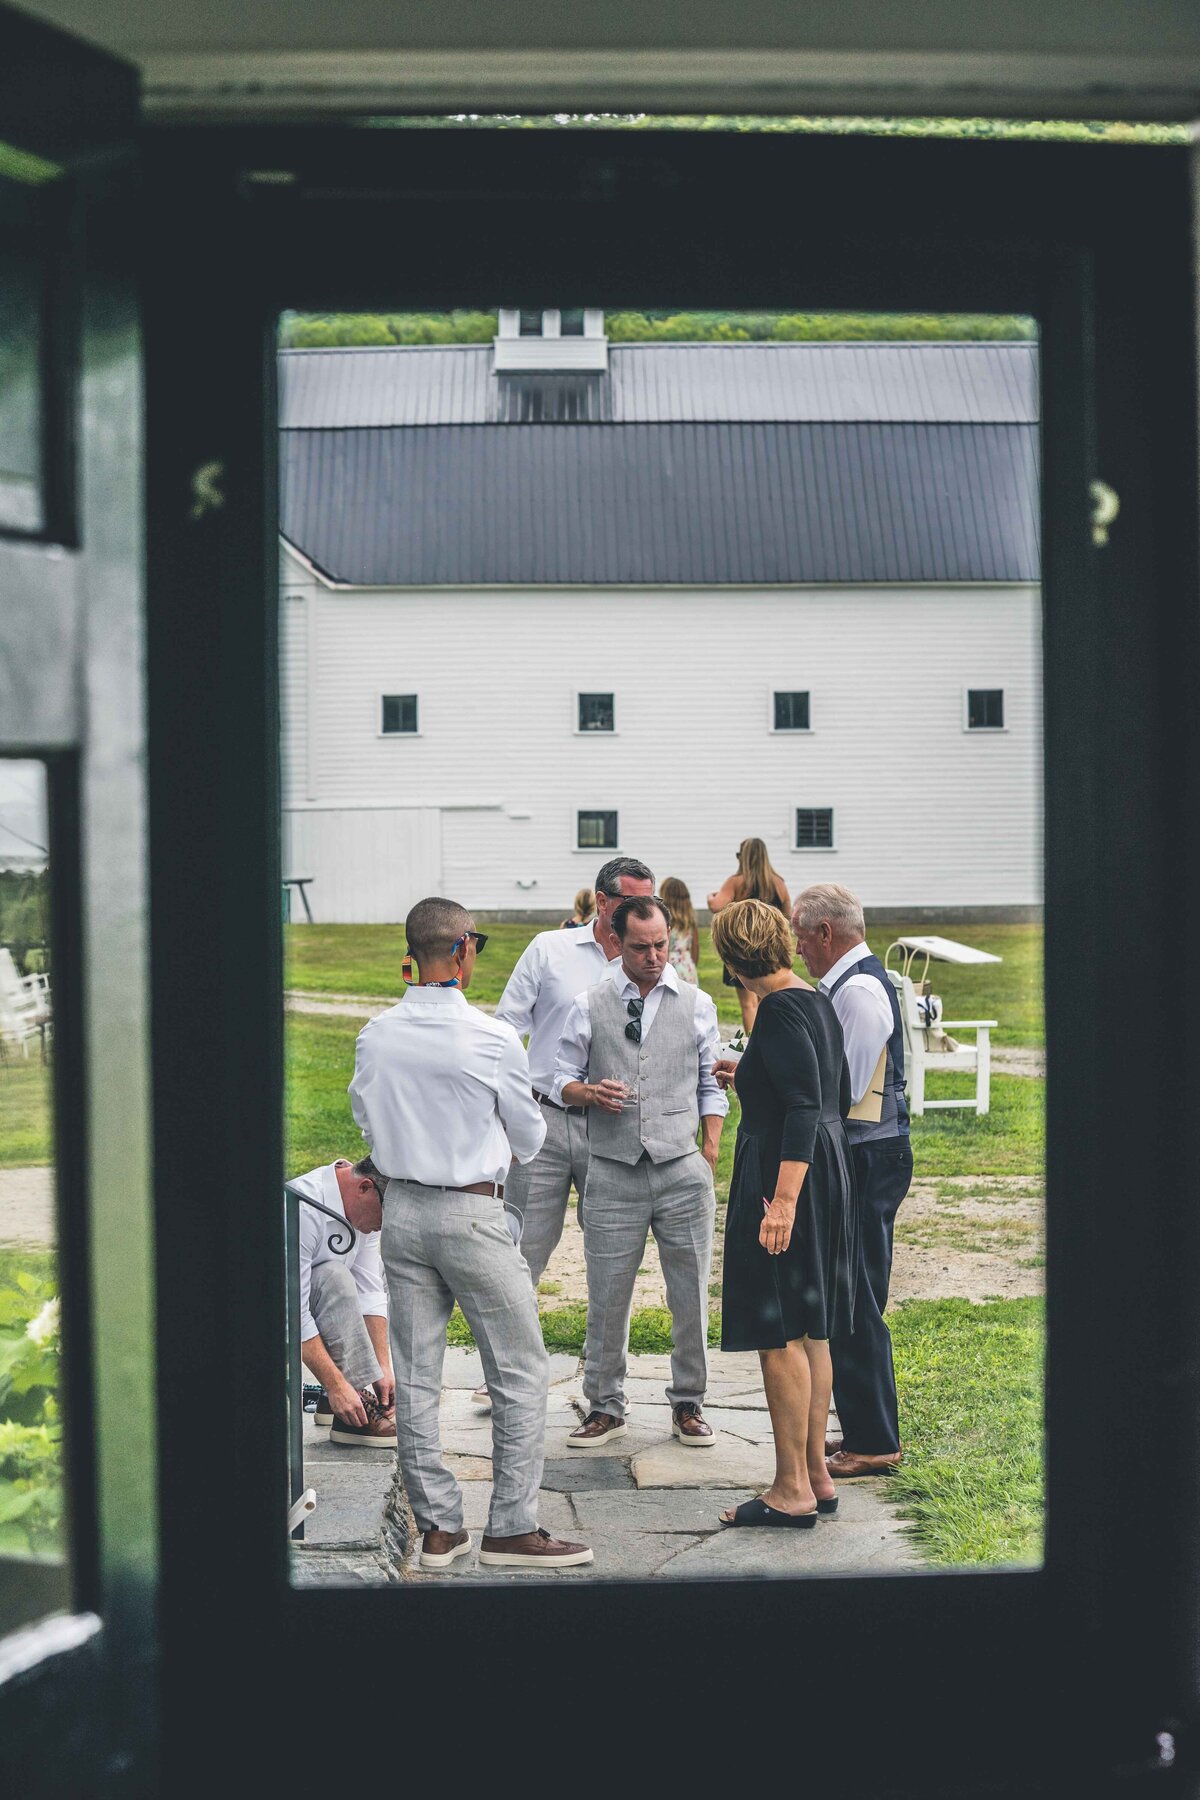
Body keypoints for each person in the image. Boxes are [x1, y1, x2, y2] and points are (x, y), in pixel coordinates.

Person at [349, 895, 592, 1572]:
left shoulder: (376, 1034)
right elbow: (532, 1136)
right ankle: (512, 1526)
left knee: (420, 1374)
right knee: (519, 1369)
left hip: (404, 1216)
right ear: (462, 950)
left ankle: (439, 1528)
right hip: (472, 1213)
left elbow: (367, 1120)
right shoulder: (490, 1039)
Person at [554, 894, 727, 1448]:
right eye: (640, 947)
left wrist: (709, 1149)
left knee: (690, 1293)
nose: (653, 957)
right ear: (616, 942)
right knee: (606, 1294)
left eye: (660, 946)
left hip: (682, 1167)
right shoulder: (589, 1003)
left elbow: (710, 1083)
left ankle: (690, 1404)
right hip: (611, 1169)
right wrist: (587, 1091)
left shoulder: (697, 1003)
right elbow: (558, 1078)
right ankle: (604, 1404)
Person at [709, 899, 858, 1528]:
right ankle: (817, 1476)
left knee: (780, 1336)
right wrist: (751, 1074)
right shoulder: (812, 997)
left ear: (731, 960)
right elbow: (834, 1092)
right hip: (825, 1168)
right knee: (810, 1328)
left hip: (785, 1177)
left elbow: (802, 1106)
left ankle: (790, 1487)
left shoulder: (775, 1010)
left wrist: (782, 1204)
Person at [791, 882, 912, 1478]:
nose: (795, 945)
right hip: (863, 1153)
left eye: (799, 933)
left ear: (824, 933)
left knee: (858, 1296)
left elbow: (842, 1088)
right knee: (853, 1292)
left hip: (870, 1156)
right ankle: (863, 1425)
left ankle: (875, 1439)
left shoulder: (860, 993)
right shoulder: (846, 984)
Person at [493, 855, 656, 1290]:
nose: (643, 912)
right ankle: (517, 1355)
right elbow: (506, 1031)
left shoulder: (650, 963)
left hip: (613, 1125)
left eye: (650, 901)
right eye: (630, 902)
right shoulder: (549, 949)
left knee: (614, 1254)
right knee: (522, 1251)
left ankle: (604, 1357)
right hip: (543, 1121)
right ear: (602, 902)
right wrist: (508, 1112)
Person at [290, 1155, 396, 1447]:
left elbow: (370, 1293)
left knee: (342, 1278)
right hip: (255, 1312)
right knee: (334, 1277)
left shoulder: (362, 1213)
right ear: (365, 1187)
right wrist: (337, 1385)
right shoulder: (304, 1208)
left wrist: (382, 1369)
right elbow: (290, 1314)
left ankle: (343, 1402)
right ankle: (345, 1397)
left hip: (306, 1307)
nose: (381, 1227)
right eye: (384, 1217)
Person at [707, 837, 792, 1034]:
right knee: (767, 999)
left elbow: (716, 906)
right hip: (771, 950)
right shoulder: (778, 883)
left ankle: (753, 1043)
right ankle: (769, 1038)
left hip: (742, 948)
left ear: (743, 857)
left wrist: (710, 896)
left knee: (748, 1004)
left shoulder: (736, 881)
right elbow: (787, 913)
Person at [660, 875, 700, 985]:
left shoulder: (664, 921)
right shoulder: (690, 921)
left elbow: (664, 948)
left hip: (670, 966)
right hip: (688, 967)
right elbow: (695, 947)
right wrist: (691, 966)